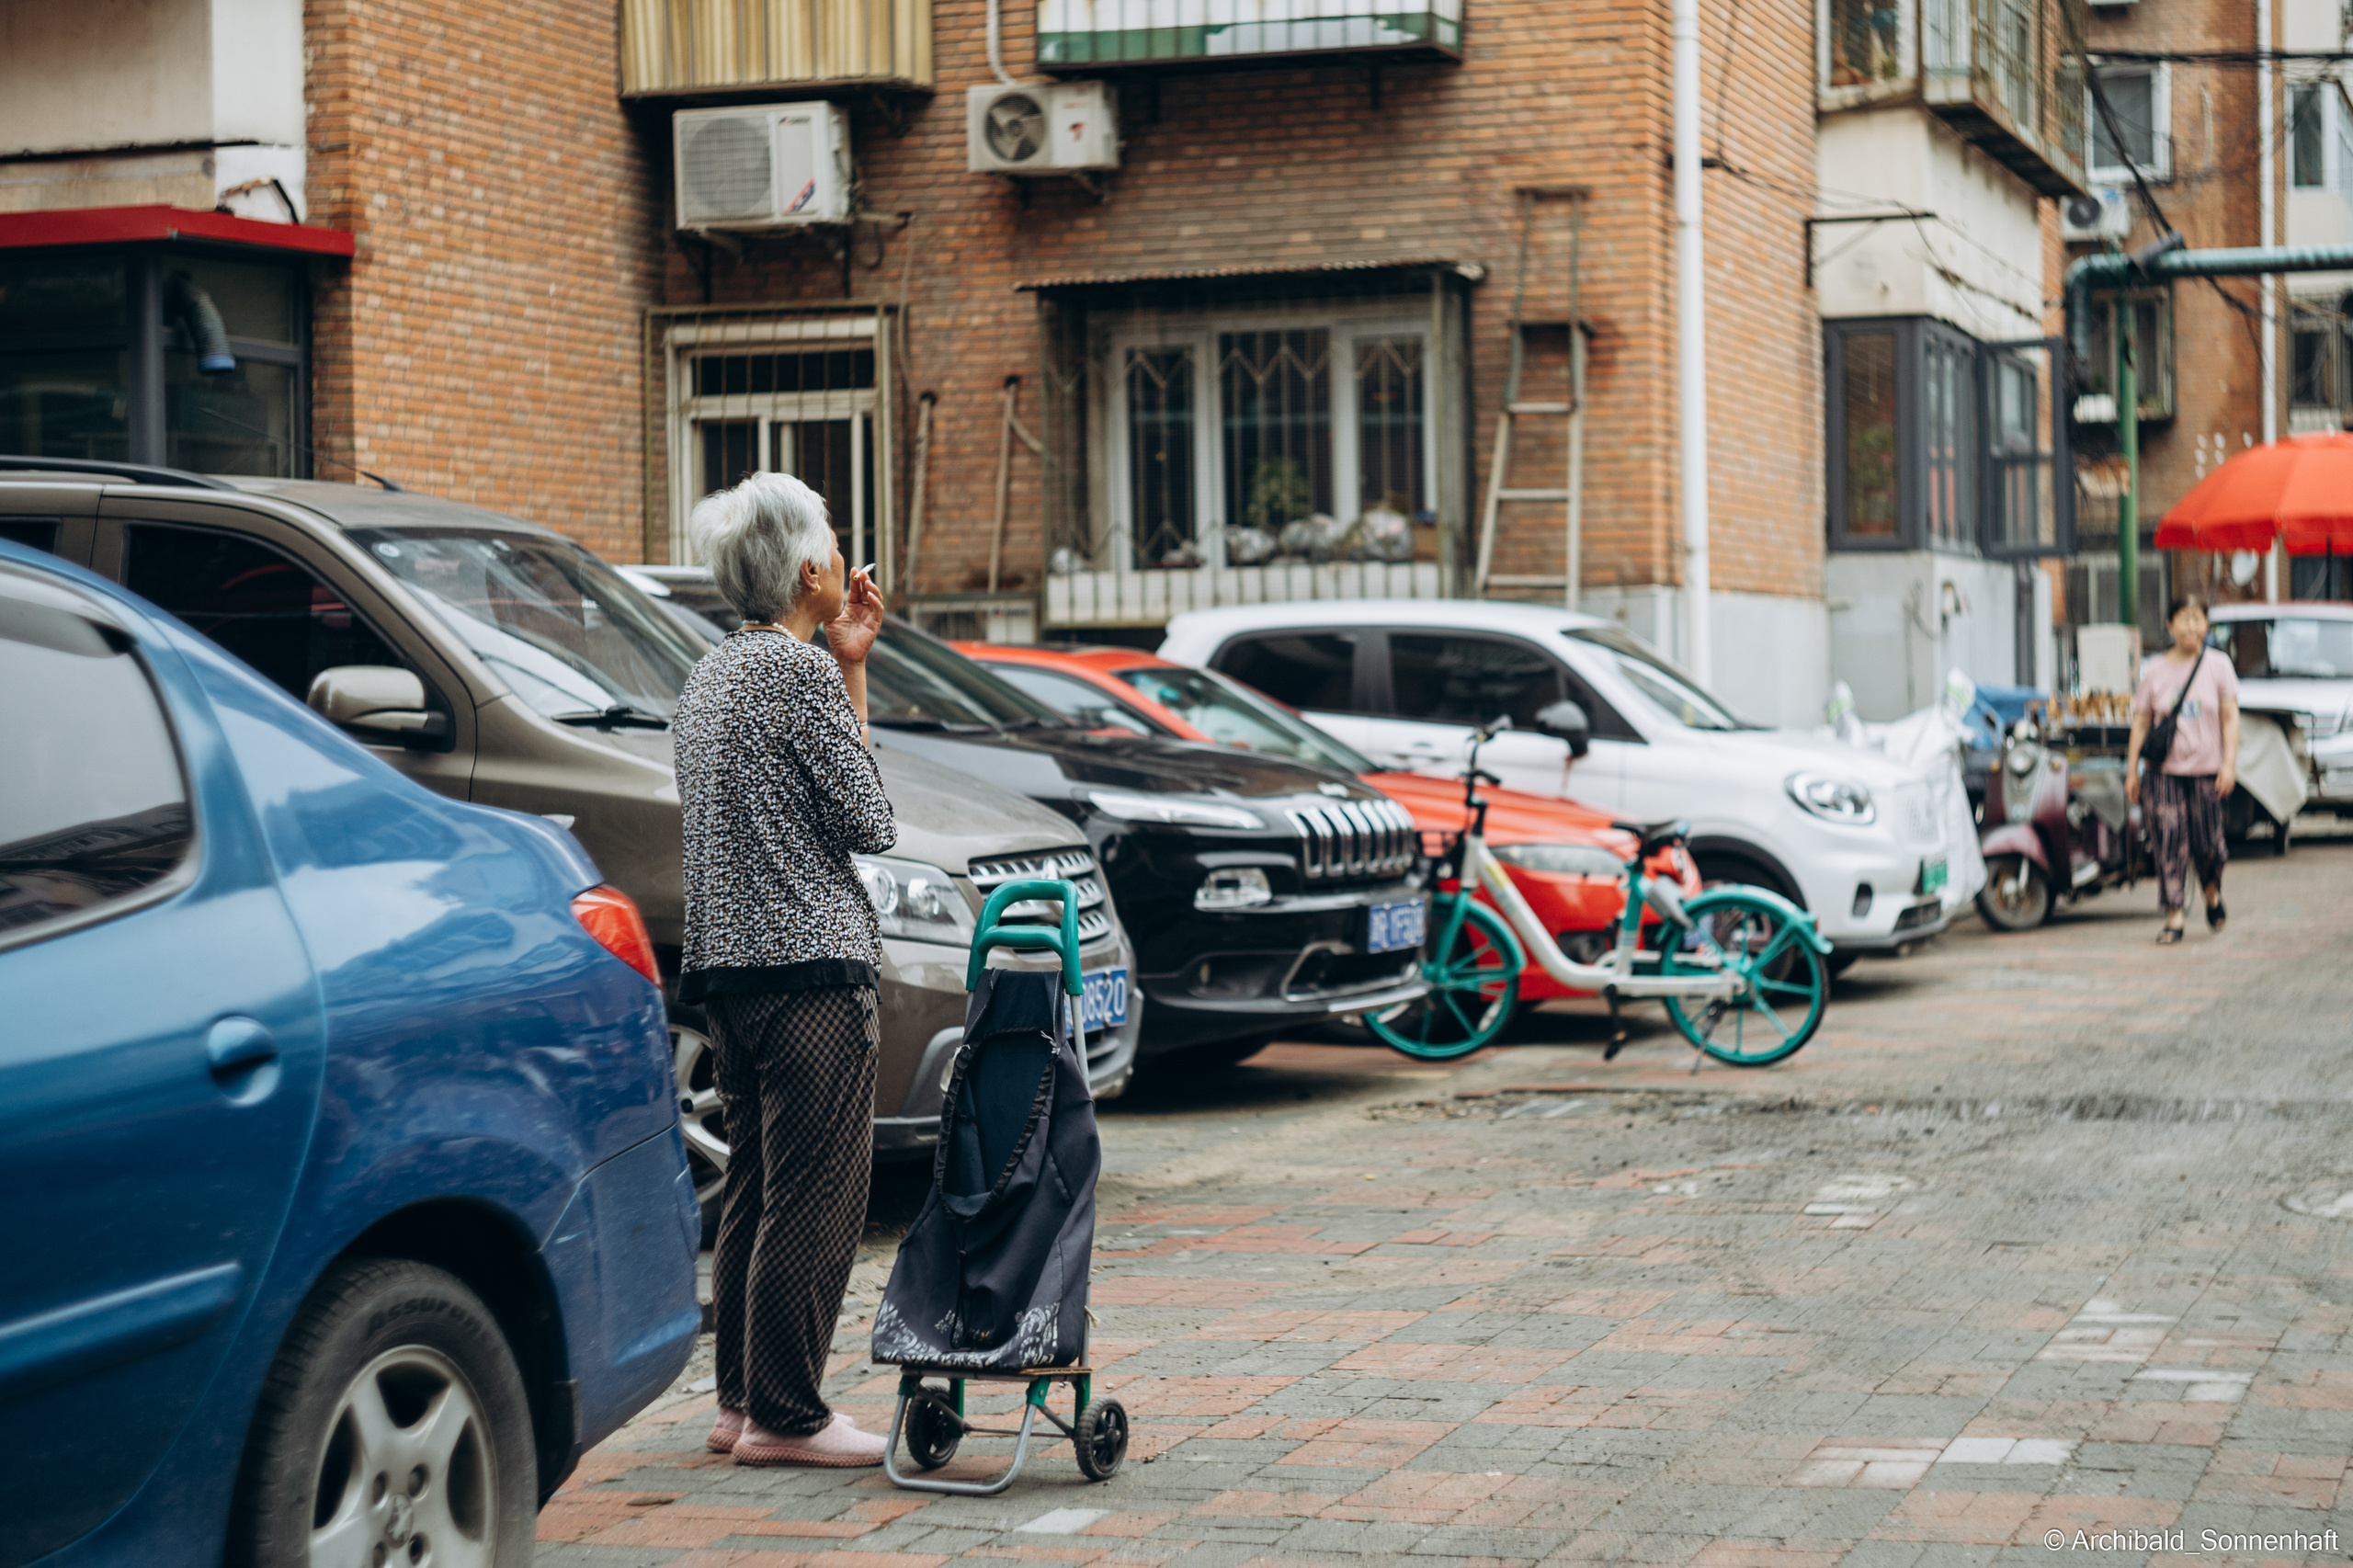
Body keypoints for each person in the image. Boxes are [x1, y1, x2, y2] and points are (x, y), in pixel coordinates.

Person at [672, 472, 896, 1467]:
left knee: (760, 1188)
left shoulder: (709, 673)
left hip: (729, 975)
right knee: (817, 1191)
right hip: (811, 970)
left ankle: (739, 1402)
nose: (845, 557)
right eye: (835, 542)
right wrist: (850, 672)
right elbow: (871, 821)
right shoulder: (794, 675)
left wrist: (842, 653)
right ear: (809, 568)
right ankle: (789, 1413)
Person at [2126, 595, 2239, 945]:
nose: (2191, 626)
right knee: (2169, 843)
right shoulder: (2156, 669)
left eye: (2197, 618)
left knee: (2210, 845)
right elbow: (2142, 720)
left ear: (2206, 625)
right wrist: (2132, 770)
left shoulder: (2219, 666)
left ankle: (2211, 892)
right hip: (2164, 773)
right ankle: (2175, 915)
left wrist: (2229, 763)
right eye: (2183, 618)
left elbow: (2230, 717)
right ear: (2170, 624)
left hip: (2208, 771)